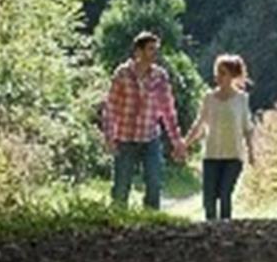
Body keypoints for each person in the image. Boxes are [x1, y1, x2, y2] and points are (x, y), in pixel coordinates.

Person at [101, 31, 185, 210]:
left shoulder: (160, 76)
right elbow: (111, 107)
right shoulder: (122, 74)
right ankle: (118, 222)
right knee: (121, 187)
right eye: (150, 49)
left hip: (150, 138)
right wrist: (109, 137)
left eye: (156, 49)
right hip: (125, 138)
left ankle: (151, 223)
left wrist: (177, 141)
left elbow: (168, 110)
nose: (155, 53)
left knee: (154, 183)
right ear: (138, 51)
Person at [183, 53, 256, 220]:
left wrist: (251, 152)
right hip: (211, 155)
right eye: (217, 72)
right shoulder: (209, 98)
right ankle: (210, 231)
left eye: (222, 73)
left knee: (225, 195)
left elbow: (247, 128)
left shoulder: (242, 99)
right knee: (209, 199)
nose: (218, 76)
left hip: (233, 155)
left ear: (232, 75)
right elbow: (200, 124)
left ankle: (225, 230)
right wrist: (185, 144)